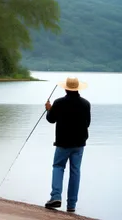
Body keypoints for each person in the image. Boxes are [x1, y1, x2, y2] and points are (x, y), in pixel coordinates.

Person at [44, 77, 91, 213]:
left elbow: (51, 119)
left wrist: (49, 109)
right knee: (75, 172)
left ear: (66, 88)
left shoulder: (58, 103)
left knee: (58, 167)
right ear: (77, 88)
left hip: (63, 143)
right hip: (79, 144)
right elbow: (87, 123)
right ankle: (71, 205)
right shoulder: (86, 104)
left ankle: (56, 197)